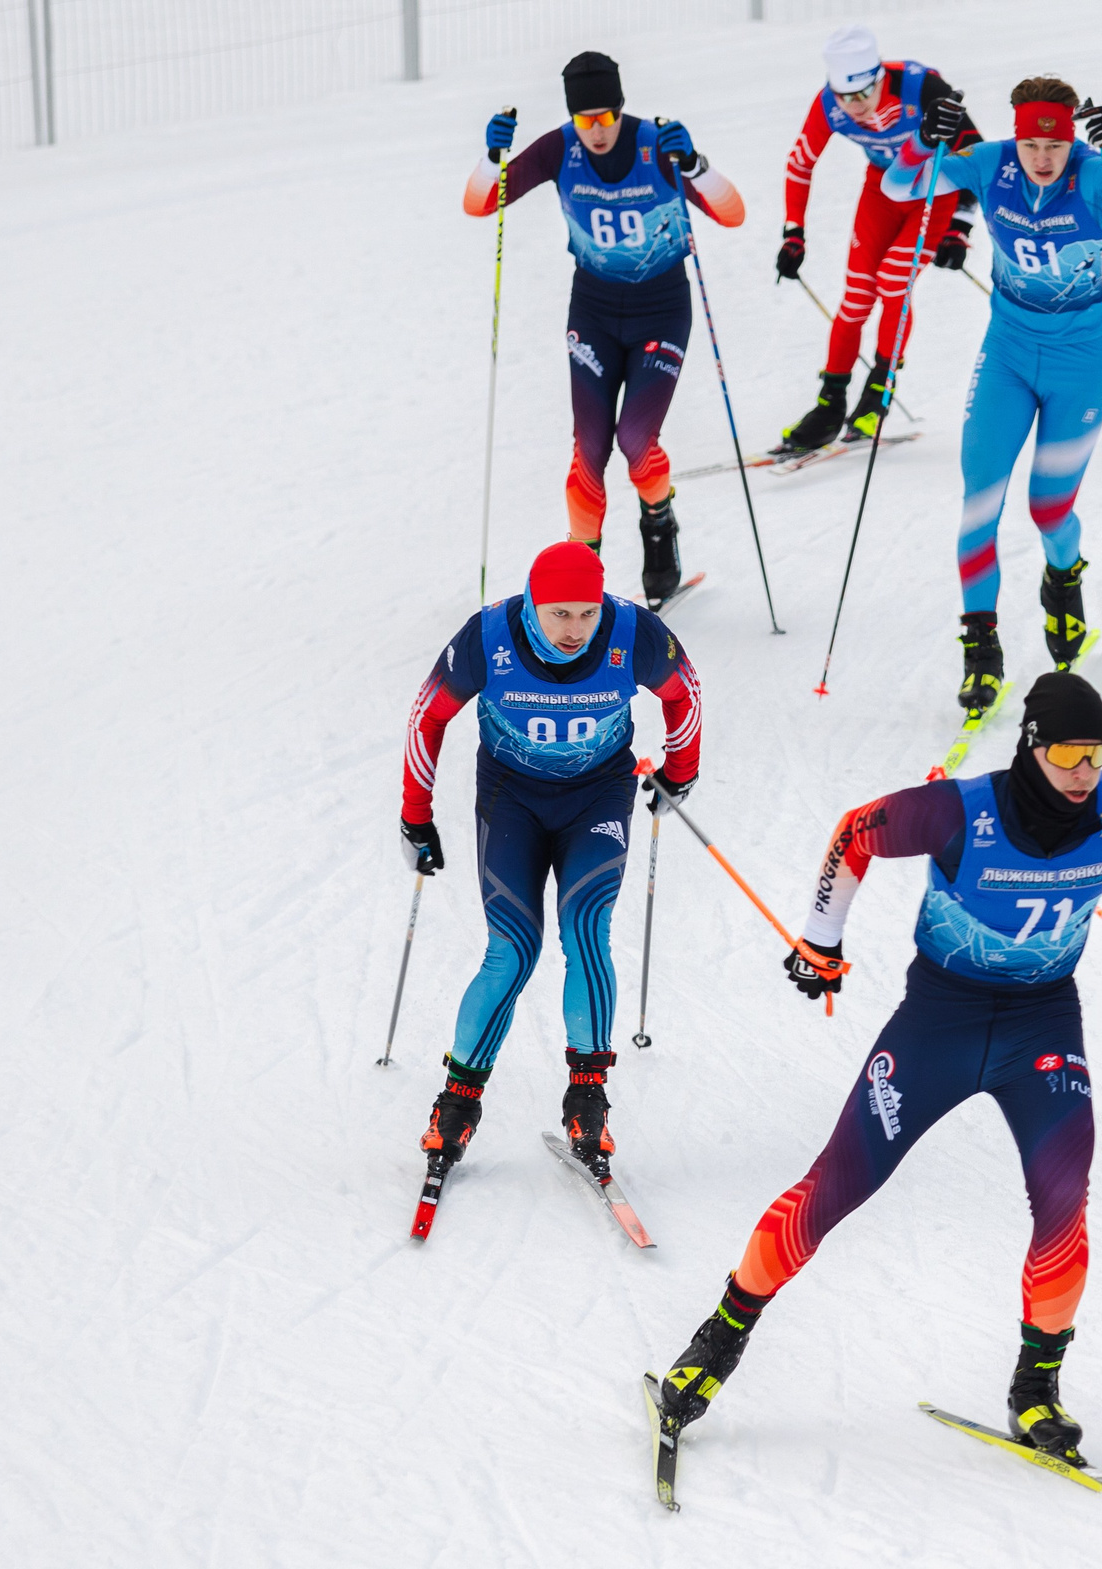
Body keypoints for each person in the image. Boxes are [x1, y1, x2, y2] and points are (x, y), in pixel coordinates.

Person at [651, 674, 1102, 1467]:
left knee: (1065, 1202)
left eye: (1096, 754)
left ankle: (1036, 1390)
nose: (1083, 773)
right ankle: (718, 1340)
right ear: (1032, 747)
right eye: (1068, 754)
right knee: (837, 1185)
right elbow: (856, 832)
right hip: (939, 1023)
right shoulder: (961, 811)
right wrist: (821, 940)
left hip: (1042, 1027)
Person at [399, 541, 703, 1203]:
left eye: (586, 614)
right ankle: (456, 1106)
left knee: (586, 929)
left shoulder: (632, 631)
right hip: (510, 799)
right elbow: (429, 716)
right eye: (559, 613)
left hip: (599, 797)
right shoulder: (489, 637)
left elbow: (685, 694)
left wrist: (681, 772)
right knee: (513, 949)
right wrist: (415, 816)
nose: (574, 629)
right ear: (533, 604)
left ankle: (587, 1102)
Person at [883, 77, 1102, 711]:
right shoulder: (991, 164)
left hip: (1080, 364)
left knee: (1048, 509)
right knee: (979, 503)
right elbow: (899, 187)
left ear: (1071, 139)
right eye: (1031, 144)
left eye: (1055, 145)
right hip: (1008, 357)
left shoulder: (1092, 174)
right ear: (1015, 137)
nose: (1042, 158)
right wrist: (922, 141)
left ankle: (1062, 580)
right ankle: (981, 651)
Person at [462, 52, 746, 606]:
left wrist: (695, 166)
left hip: (661, 309)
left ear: (621, 109)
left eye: (606, 118)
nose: (595, 131)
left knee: (636, 441)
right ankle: (581, 575)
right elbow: (482, 203)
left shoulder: (655, 144)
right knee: (589, 450)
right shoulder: (559, 148)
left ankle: (659, 524)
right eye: (584, 120)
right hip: (593, 311)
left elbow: (731, 214)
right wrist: (491, 159)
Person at [773, 26, 983, 453]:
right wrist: (794, 232)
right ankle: (829, 405)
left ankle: (877, 394)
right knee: (855, 298)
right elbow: (800, 164)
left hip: (933, 191)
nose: (855, 107)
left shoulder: (920, 87)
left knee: (893, 281)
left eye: (863, 94)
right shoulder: (829, 104)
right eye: (844, 97)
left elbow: (975, 152)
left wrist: (960, 226)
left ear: (880, 78)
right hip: (882, 191)